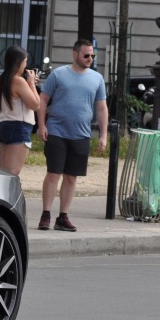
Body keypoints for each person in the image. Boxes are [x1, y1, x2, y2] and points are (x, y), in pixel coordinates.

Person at [37, 39, 108, 232]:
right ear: (75, 54)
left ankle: (63, 217)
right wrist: (41, 125)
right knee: (53, 173)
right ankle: (45, 214)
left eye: (92, 55)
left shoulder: (97, 78)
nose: (90, 59)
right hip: (57, 131)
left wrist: (103, 135)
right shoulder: (59, 74)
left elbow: (101, 108)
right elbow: (43, 100)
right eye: (86, 55)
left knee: (71, 177)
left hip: (81, 134)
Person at [0, 45, 43, 176]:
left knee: (4, 170)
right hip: (19, 126)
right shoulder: (18, 81)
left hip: (5, 124)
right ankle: (7, 196)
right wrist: (32, 84)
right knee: (12, 173)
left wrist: (29, 84)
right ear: (19, 62)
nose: (26, 65)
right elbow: (35, 105)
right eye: (25, 61)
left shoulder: (1, 79)